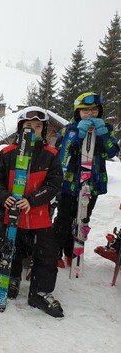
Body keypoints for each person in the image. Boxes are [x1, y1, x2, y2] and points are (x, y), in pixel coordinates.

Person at [0, 106, 64, 318]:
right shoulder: (7, 153)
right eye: (28, 126)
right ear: (20, 128)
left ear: (43, 130)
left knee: (46, 255)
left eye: (38, 127)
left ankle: (40, 291)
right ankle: (12, 279)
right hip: (13, 215)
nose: (33, 130)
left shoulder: (50, 155)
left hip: (39, 216)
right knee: (13, 249)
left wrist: (32, 200)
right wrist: (3, 196)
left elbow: (54, 184)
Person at [53, 92, 119, 267]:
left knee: (83, 218)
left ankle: (73, 251)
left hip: (92, 183)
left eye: (94, 110)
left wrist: (103, 134)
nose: (90, 114)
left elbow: (111, 152)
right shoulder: (69, 129)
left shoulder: (106, 129)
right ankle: (55, 252)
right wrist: (78, 135)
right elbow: (62, 153)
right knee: (64, 218)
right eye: (85, 110)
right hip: (70, 182)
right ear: (77, 112)